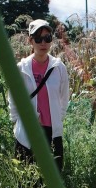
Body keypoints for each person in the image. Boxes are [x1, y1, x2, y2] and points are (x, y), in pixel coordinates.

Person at [10, 18, 70, 171]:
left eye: (47, 38)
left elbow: (64, 97)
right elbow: (14, 98)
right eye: (38, 38)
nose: (43, 43)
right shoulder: (21, 68)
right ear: (30, 41)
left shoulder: (58, 67)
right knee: (26, 179)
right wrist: (17, 122)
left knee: (53, 177)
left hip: (52, 131)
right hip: (28, 130)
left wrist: (58, 117)